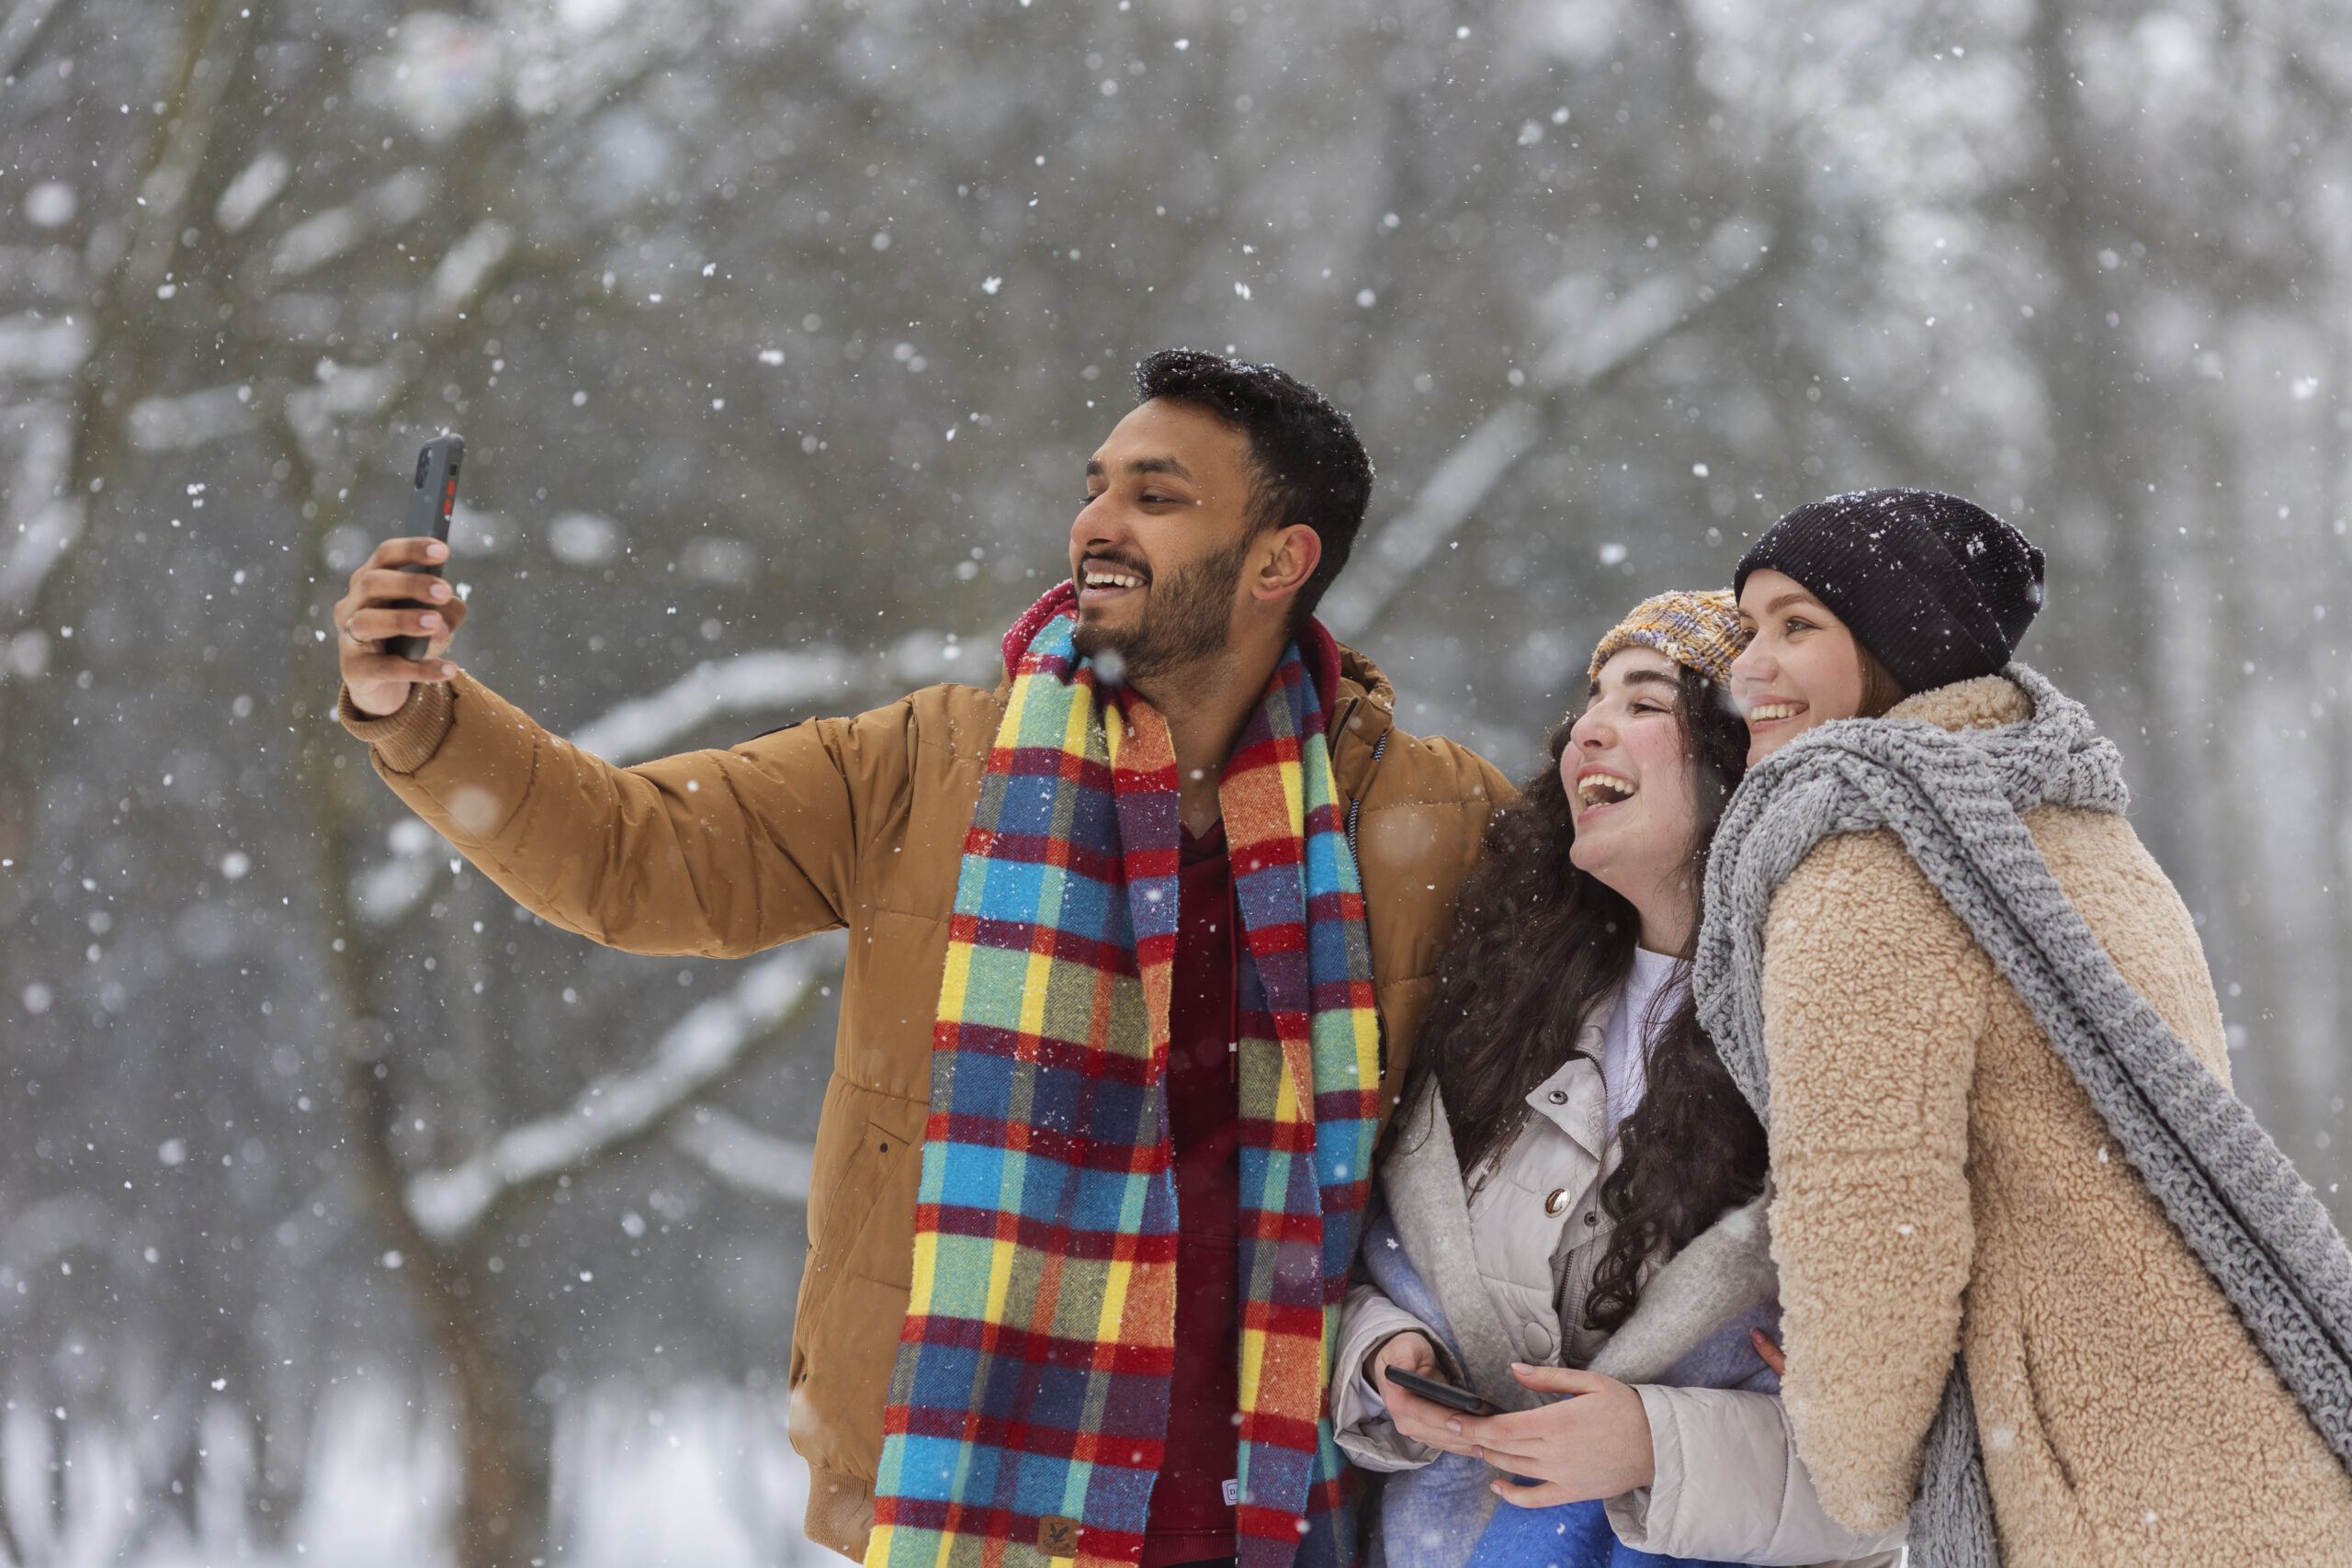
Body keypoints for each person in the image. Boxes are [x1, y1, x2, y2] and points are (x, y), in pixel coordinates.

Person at [331, 350, 1510, 1568]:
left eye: (1155, 497)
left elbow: (1626, 994)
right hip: (977, 1498)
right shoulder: (930, 765)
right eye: (1095, 485)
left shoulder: (1427, 817)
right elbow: (634, 856)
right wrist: (416, 711)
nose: (1096, 522)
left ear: (1279, 560)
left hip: (1292, 1502)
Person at [1693, 489, 2352, 1566]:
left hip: (2096, 1495)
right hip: (2254, 1458)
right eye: (1750, 628)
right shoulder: (2089, 831)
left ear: (1897, 642)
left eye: (1796, 625)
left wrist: (1851, 1459)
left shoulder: (1869, 861)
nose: (1749, 667)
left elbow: (1870, 1208)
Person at [1331, 590, 1904, 1568]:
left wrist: (1654, 1445)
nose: (1588, 731)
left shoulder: (1852, 1039)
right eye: (1588, 705)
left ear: (1744, 757)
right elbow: (1373, 1264)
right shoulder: (1500, 1007)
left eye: (1644, 703)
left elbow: (1901, 1468)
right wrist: (1385, 1359)